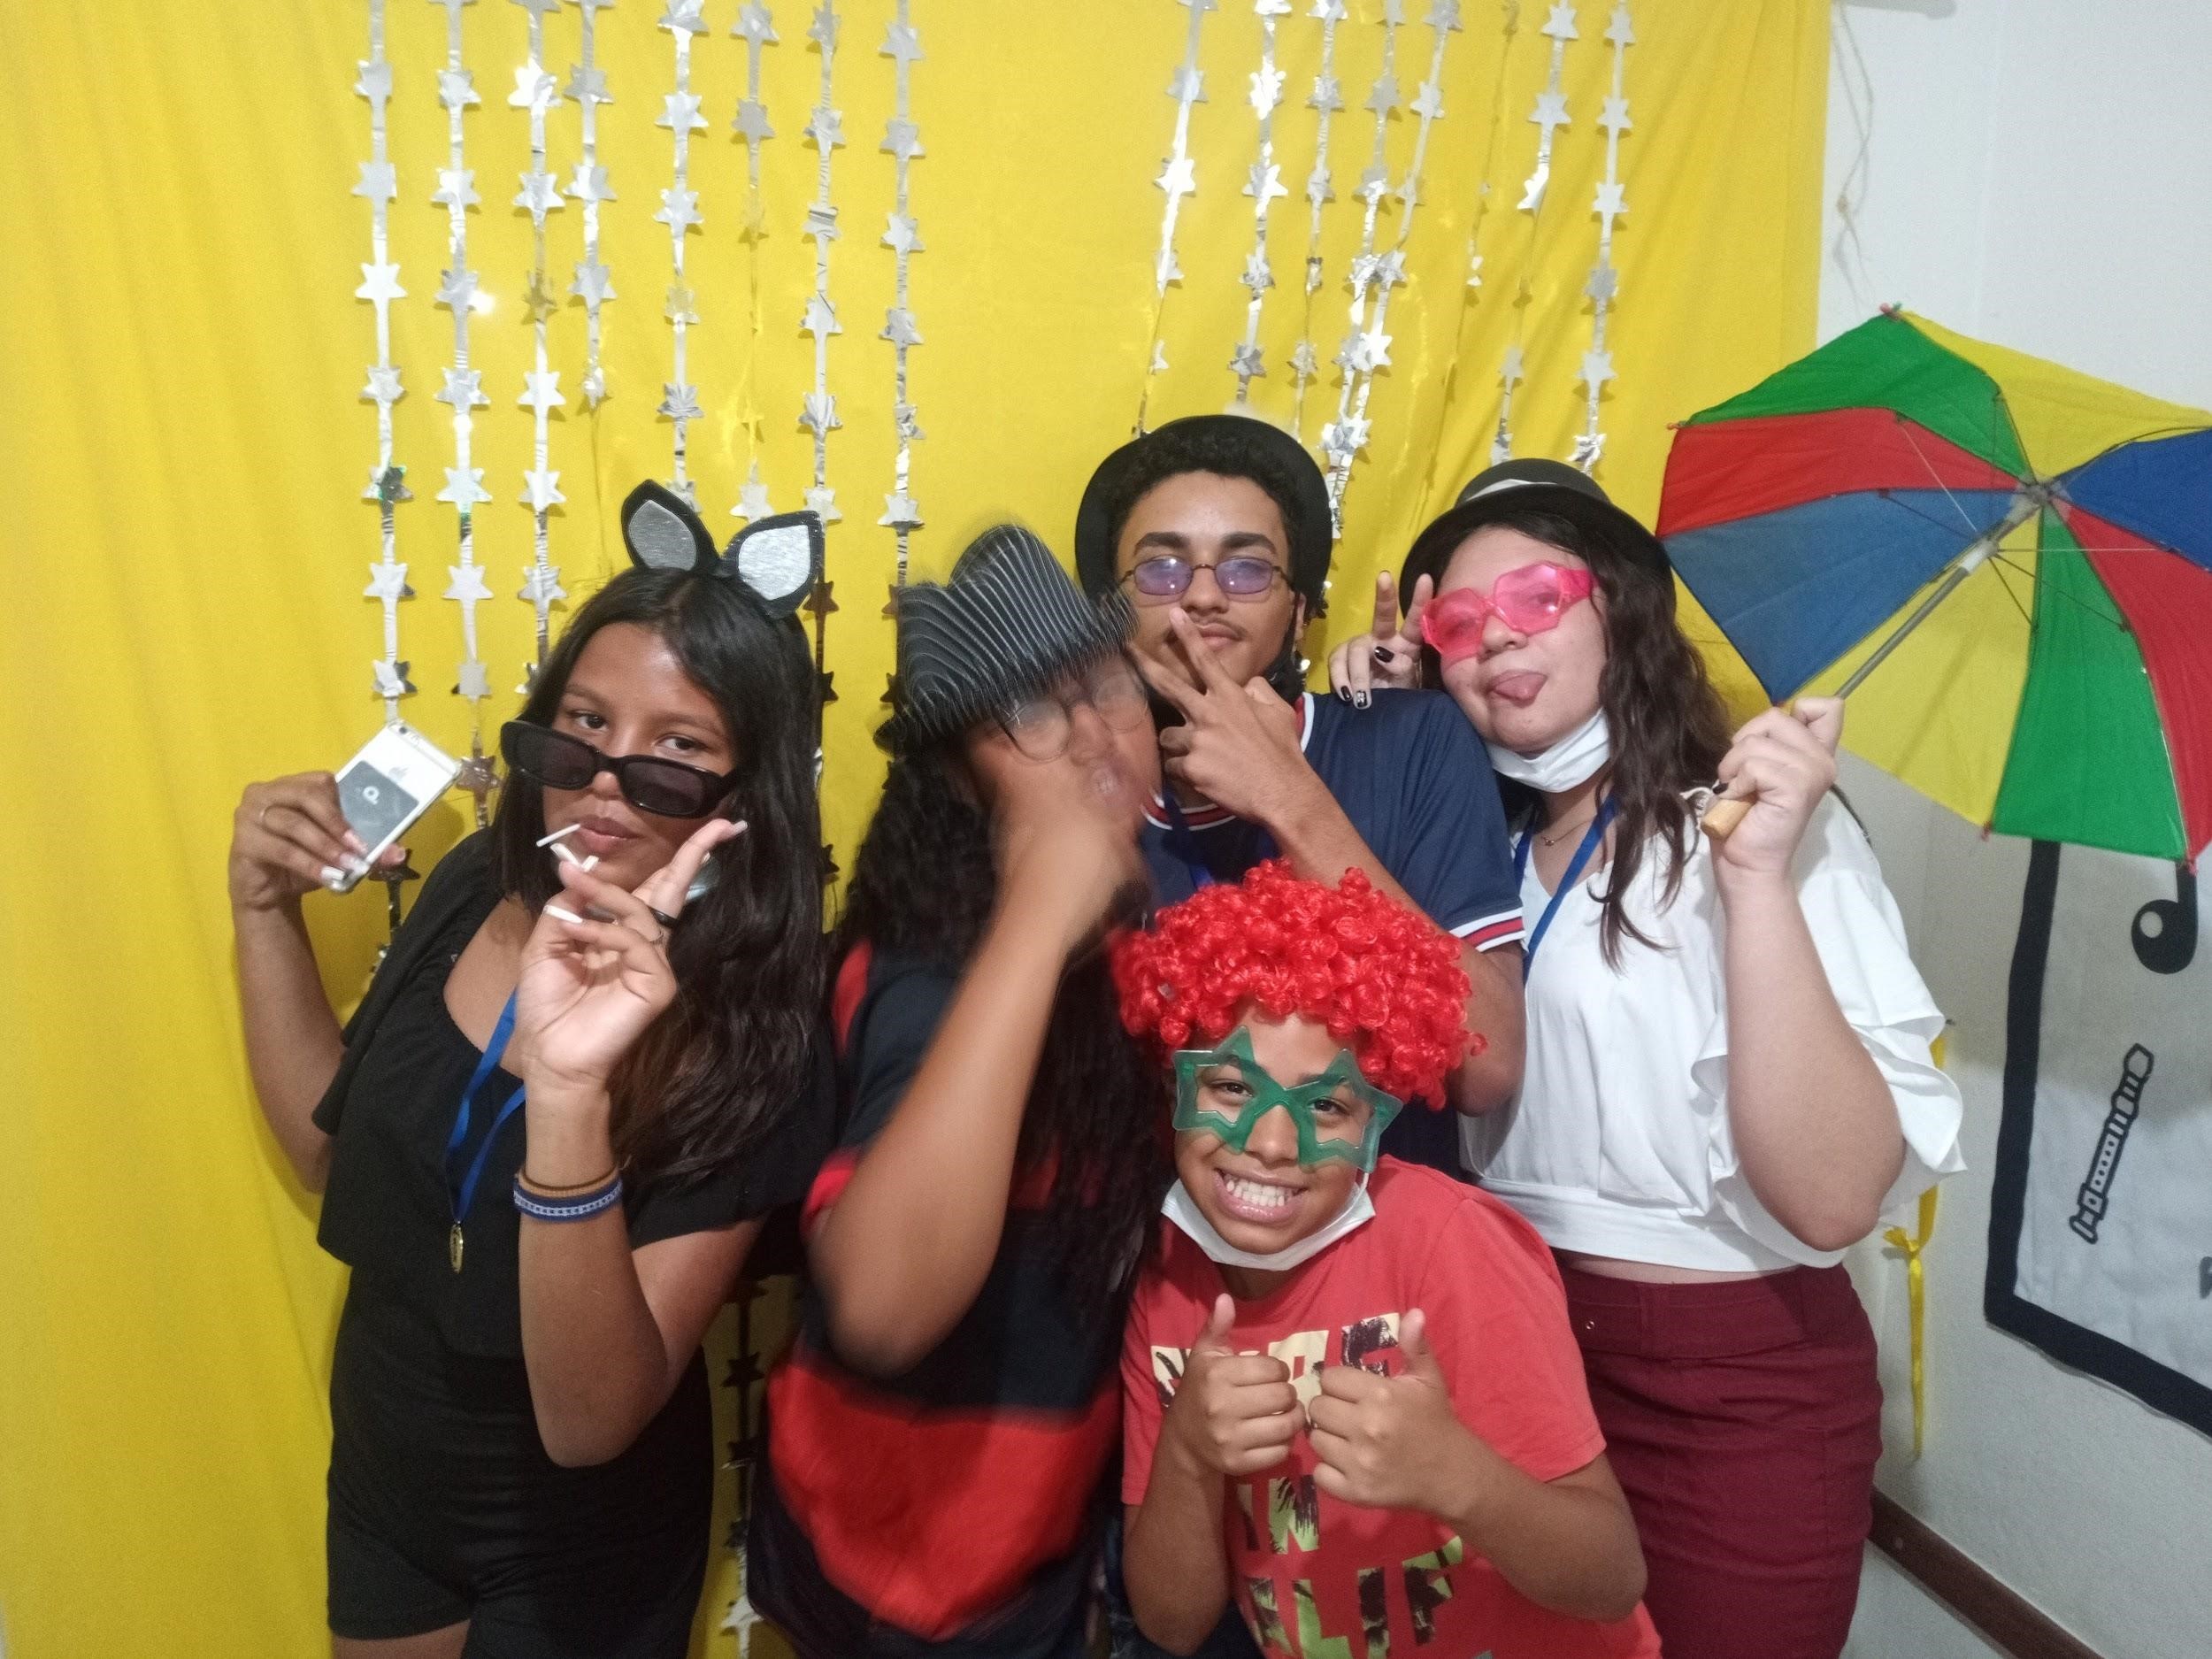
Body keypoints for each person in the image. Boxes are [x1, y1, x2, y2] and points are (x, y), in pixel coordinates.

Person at [1330, 457, 1966, 1659]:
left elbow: (1834, 1199)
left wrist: (1757, 876)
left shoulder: (1751, 825)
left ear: (1620, 609)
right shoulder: (1471, 856)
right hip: (1504, 1360)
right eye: (1455, 621)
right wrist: (1384, 739)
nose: (1494, 636)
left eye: (1536, 596)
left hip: (1733, 1393)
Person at [228, 484, 833, 1658]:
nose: (606, 779)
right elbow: (322, 1150)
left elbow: (590, 1420)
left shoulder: (760, 1027)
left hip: (577, 1533)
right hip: (388, 1467)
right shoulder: (474, 888)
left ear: (746, 793)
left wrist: (567, 1093)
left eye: (678, 749)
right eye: (583, 725)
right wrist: (264, 911)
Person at [748, 524, 1171, 1657]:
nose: (1092, 734)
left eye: (1104, 686)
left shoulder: (1120, 938)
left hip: (1031, 1555)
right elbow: (883, 1309)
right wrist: (1036, 911)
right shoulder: (929, 976)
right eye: (1027, 712)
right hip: (893, 1574)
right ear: (953, 774)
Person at [1112, 861, 1659, 1659]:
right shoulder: (1167, 1284)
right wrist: (1189, 1455)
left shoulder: (1450, 1243)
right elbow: (1172, 1623)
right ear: (1174, 1087)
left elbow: (1612, 1574)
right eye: (1230, 1087)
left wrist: (1458, 1476)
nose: (1273, 1142)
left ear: (1375, 1121)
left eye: (1325, 1105)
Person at [1074, 414, 1527, 1171]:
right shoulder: (1071, 801)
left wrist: (1290, 799)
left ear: (1299, 612)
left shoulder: (1412, 740)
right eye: (1162, 569)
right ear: (1111, 615)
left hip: (1377, 1236)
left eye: (1247, 569)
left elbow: (1488, 1066)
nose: (1204, 595)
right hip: (1152, 1237)